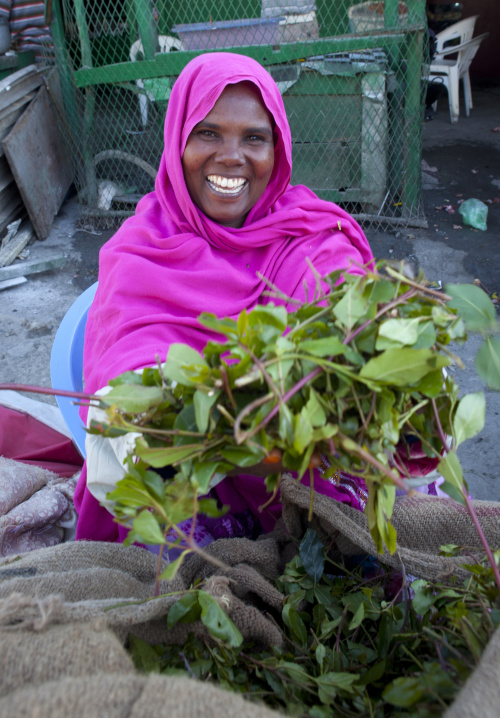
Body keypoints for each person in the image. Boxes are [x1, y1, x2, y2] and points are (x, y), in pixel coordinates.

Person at [74, 52, 380, 544]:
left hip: (307, 491)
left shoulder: (309, 232)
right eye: (208, 133)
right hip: (191, 505)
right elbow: (128, 398)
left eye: (254, 138)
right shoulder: (138, 253)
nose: (232, 157)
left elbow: (342, 298)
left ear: (276, 150)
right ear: (177, 141)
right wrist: (241, 437)